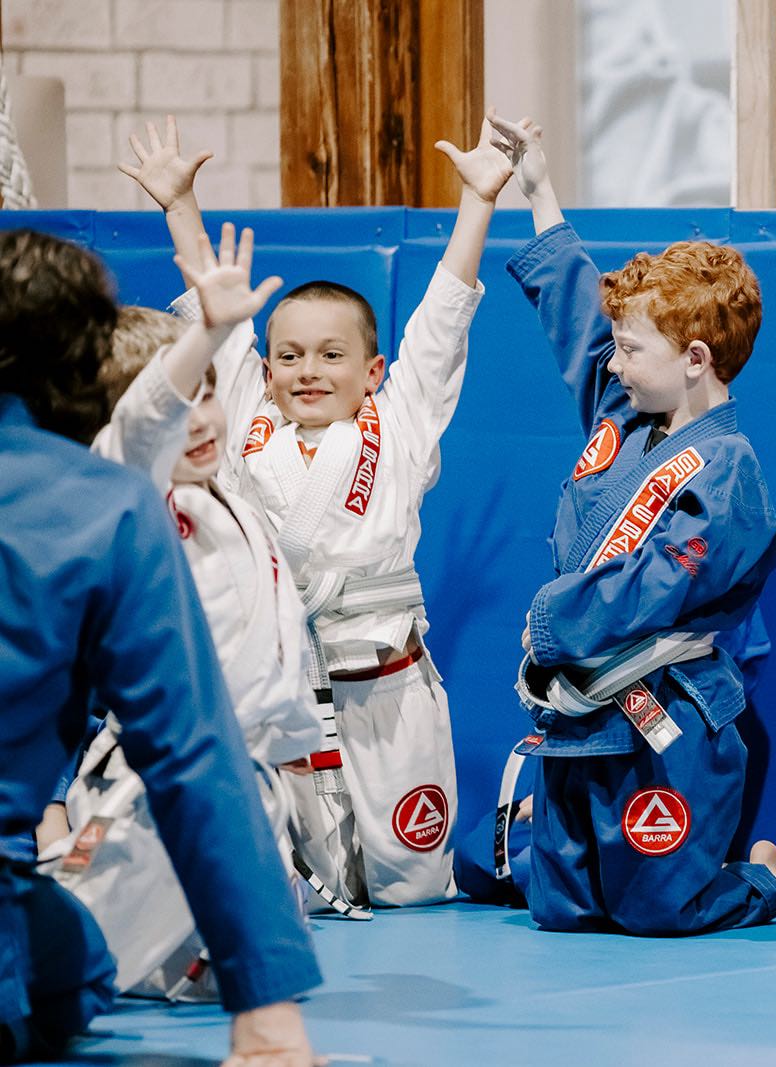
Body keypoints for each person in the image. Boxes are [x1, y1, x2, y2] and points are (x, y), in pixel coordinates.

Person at [119, 114, 514, 906]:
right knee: (279, 888)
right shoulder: (243, 416)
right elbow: (218, 314)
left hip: (386, 687)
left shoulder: (398, 422)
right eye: (290, 356)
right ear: (265, 369)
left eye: (332, 355)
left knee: (411, 890)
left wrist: (477, 203)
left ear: (371, 369)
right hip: (281, 692)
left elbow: (440, 321)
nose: (308, 371)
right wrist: (179, 206)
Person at [452, 115, 776, 935]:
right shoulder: (625, 412)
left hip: (666, 712)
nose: (615, 359)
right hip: (581, 709)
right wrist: (539, 190)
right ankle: (520, 851)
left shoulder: (730, 466)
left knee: (658, 911)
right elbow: (577, 311)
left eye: (632, 348)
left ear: (697, 359)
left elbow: (659, 582)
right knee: (560, 909)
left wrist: (551, 621)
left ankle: (761, 873)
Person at [0, 227, 319, 1064]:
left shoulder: (230, 490)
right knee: (83, 965)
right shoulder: (105, 495)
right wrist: (269, 1009)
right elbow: (188, 753)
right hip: (155, 781)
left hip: (279, 762)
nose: (201, 413)